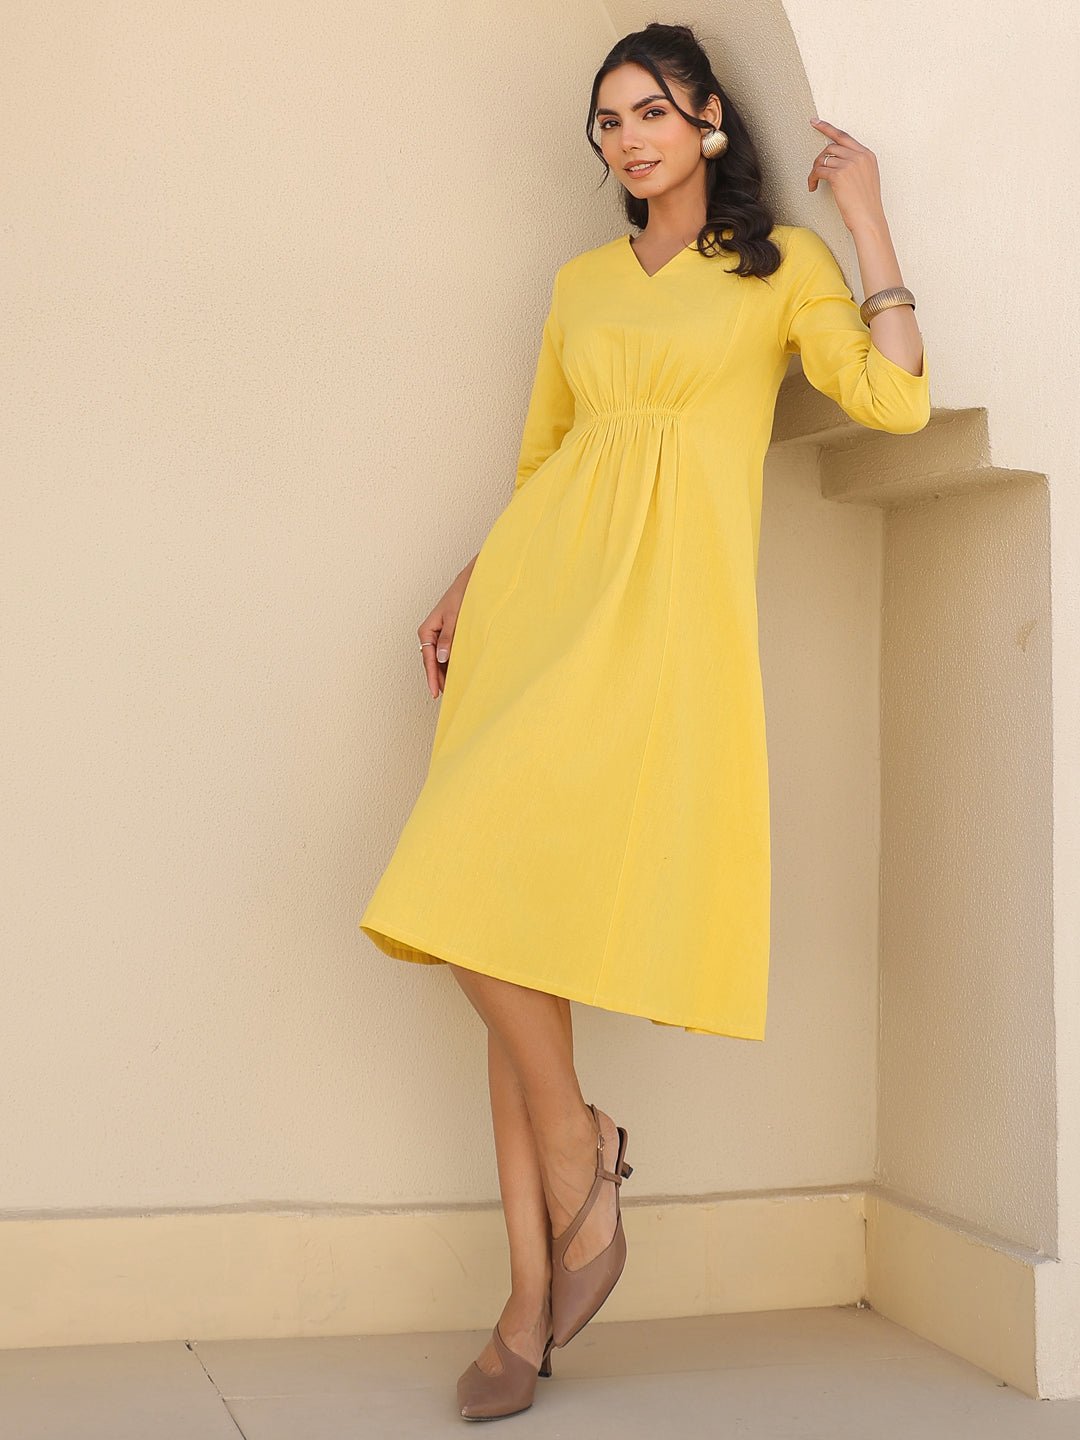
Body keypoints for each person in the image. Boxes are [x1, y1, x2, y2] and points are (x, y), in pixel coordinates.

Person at [358, 20, 930, 1422]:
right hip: (535, 607)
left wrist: (866, 219)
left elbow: (895, 401)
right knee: (478, 910)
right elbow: (546, 458)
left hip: (661, 627)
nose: (629, 138)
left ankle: (541, 1270)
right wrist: (471, 578)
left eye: (653, 112)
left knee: (500, 926)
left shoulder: (779, 270)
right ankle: (570, 1185)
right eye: (609, 120)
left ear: (710, 120)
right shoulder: (579, 285)